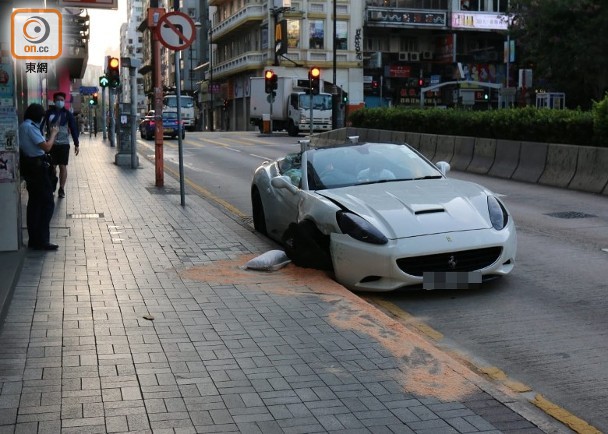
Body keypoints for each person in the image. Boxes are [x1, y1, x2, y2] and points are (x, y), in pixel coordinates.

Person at [19, 103, 60, 250]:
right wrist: (54, 134)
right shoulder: (29, 127)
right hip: (37, 169)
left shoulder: (25, 126)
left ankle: (35, 239)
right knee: (46, 204)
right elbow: (47, 147)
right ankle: (41, 239)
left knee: (35, 204)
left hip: (33, 168)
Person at [43, 92, 79, 198]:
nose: (60, 101)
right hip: (51, 144)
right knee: (52, 167)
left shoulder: (67, 114)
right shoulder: (48, 113)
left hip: (64, 145)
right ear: (54, 101)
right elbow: (42, 127)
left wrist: (76, 144)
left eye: (62, 100)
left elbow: (73, 129)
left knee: (63, 166)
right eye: (58, 99)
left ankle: (61, 188)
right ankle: (52, 185)